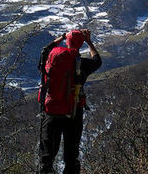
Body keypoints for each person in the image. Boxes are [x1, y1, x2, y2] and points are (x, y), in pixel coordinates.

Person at [38, 28, 101, 174]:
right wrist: (89, 41)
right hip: (73, 113)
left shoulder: (51, 58)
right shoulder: (82, 64)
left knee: (46, 158)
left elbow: (45, 50)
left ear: (67, 41)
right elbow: (97, 61)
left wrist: (62, 36)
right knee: (71, 158)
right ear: (80, 45)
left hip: (51, 112)